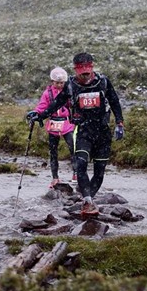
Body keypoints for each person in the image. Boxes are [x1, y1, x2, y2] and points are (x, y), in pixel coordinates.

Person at [29, 52, 124, 217]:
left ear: (92, 68)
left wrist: (119, 123)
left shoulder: (103, 82)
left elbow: (115, 102)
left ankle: (89, 199)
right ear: (76, 70)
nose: (86, 77)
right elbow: (56, 103)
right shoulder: (71, 85)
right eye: (82, 73)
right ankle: (87, 200)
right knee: (80, 165)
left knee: (99, 171)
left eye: (88, 72)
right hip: (82, 131)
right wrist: (40, 115)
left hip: (102, 132)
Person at [26, 67, 77, 188]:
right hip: (53, 124)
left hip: (67, 124)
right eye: (57, 82)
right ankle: (55, 178)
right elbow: (42, 106)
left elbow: (74, 104)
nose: (59, 85)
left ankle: (76, 173)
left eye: (61, 83)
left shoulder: (69, 91)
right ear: (52, 81)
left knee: (73, 149)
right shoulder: (47, 93)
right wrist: (36, 113)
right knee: (53, 152)